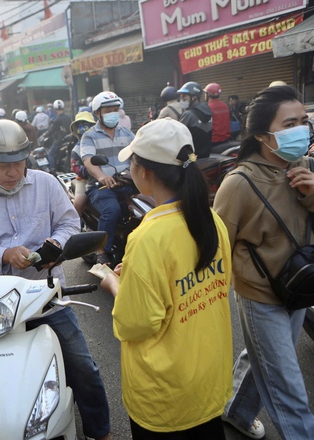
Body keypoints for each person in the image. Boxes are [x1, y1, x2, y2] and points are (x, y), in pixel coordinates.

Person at [0, 119, 112, 440]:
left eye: (19, 164)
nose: (13, 173)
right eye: (3, 166)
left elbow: (69, 222)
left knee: (84, 368)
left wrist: (56, 244)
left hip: (47, 297)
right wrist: (3, 254)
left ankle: (101, 432)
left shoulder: (46, 183)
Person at [101, 118, 233, 439]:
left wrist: (116, 285)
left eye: (132, 161)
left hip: (166, 394)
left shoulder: (148, 236)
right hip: (208, 376)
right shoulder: (210, 218)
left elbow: (136, 323)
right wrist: (135, 277)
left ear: (144, 172)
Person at [213, 85, 314, 440]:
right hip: (261, 296)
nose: (302, 130)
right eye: (290, 123)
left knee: (263, 356)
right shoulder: (238, 183)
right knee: (288, 387)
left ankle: (235, 411)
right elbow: (218, 248)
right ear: (264, 135)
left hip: (304, 286)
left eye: (304, 121)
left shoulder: (310, 167)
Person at [81, 91, 135, 266]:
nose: (113, 113)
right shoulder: (89, 136)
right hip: (101, 186)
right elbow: (88, 160)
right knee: (111, 210)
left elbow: (139, 152)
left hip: (126, 182)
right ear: (97, 113)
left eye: (115, 109)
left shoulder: (126, 133)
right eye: (108, 110)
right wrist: (102, 176)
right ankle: (101, 250)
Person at [68, 111, 96, 218]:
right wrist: (89, 171)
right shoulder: (77, 149)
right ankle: (76, 224)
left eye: (86, 124)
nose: (83, 127)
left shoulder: (100, 142)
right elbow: (74, 166)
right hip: (84, 180)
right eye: (79, 125)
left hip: (105, 176)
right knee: (79, 201)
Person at [177, 81, 213, 158]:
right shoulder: (207, 110)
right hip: (205, 154)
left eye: (184, 96)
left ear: (194, 97)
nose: (181, 99)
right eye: (181, 96)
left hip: (191, 158)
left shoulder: (188, 114)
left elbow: (177, 134)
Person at [45, 99, 73, 171]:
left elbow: (51, 130)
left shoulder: (57, 120)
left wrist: (46, 135)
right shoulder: (69, 117)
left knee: (50, 154)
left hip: (60, 141)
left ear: (55, 109)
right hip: (70, 139)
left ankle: (52, 169)